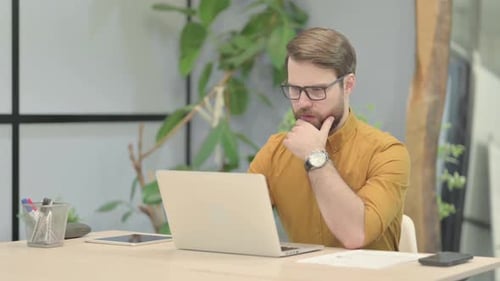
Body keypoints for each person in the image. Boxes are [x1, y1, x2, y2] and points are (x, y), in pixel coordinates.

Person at [248, 27, 410, 251]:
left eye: (317, 90)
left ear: (348, 84)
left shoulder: (387, 153)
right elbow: (239, 223)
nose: (303, 102)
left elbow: (355, 234)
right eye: (295, 89)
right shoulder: (276, 151)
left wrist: (315, 157)